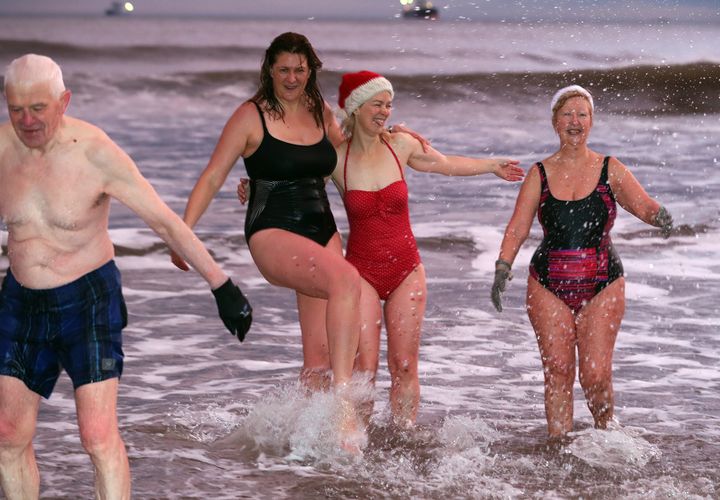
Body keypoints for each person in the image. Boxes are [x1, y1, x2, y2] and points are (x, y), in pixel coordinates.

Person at [0, 54, 252, 499]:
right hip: (21, 301)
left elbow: (165, 221)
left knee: (96, 435)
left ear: (64, 101)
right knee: (8, 434)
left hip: (88, 299)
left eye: (37, 108)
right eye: (15, 108)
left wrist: (222, 285)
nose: (26, 120)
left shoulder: (96, 153)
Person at [170, 32, 370, 447]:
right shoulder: (250, 116)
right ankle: (344, 408)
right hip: (273, 227)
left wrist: (385, 129)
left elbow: (352, 154)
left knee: (318, 358)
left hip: (323, 228)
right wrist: (181, 233)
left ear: (311, 70)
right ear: (270, 70)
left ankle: (309, 443)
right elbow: (212, 176)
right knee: (346, 281)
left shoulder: (321, 112)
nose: (293, 78)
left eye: (300, 69)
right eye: (284, 70)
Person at [328, 71, 523, 427]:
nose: (385, 112)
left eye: (389, 105)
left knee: (403, 364)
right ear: (355, 108)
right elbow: (292, 182)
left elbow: (445, 163)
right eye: (377, 104)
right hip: (361, 272)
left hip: (406, 269)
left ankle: (404, 436)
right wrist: (257, 187)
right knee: (364, 367)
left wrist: (491, 166)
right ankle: (356, 443)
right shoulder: (334, 158)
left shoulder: (400, 145)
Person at [491, 85, 674, 439]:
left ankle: (607, 438)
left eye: (582, 114)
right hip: (548, 284)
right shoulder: (538, 173)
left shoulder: (610, 168)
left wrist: (661, 216)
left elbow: (644, 205)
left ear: (591, 121)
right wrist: (502, 267)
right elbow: (517, 226)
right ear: (554, 122)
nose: (575, 121)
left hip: (603, 282)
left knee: (595, 376)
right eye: (567, 114)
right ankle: (558, 447)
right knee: (557, 370)